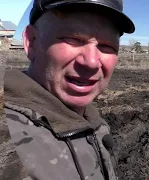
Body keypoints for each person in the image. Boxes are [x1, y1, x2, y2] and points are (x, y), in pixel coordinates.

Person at [2, 0, 135, 179]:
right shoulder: (9, 143)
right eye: (72, 39)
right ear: (31, 42)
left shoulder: (94, 123)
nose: (91, 62)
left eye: (107, 46)